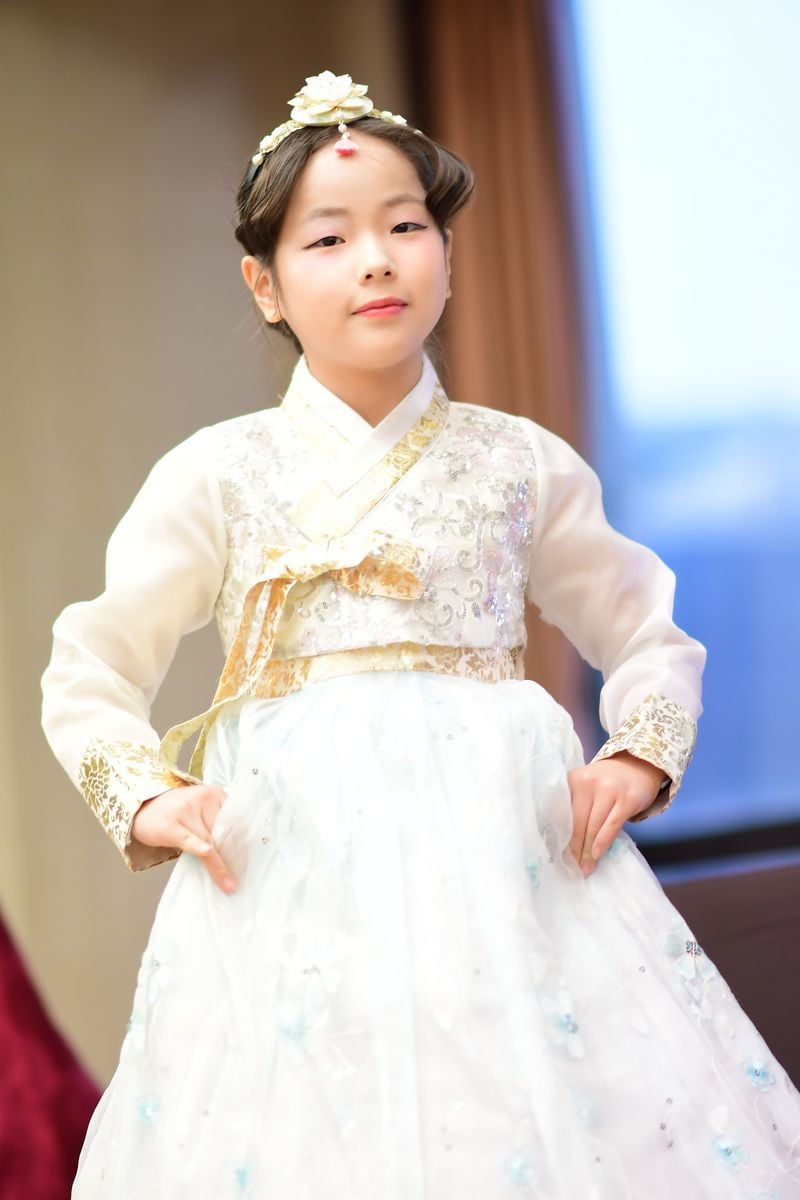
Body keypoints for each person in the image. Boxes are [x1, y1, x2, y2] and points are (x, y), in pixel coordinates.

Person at [41, 71, 800, 1199]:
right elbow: (91, 665)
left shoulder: (518, 461)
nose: (377, 261)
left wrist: (638, 754)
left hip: (517, 872)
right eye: (328, 239)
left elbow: (645, 629)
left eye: (406, 227)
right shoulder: (217, 472)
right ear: (263, 284)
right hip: (286, 886)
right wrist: (146, 795)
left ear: (445, 252)